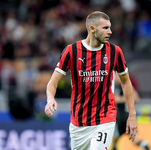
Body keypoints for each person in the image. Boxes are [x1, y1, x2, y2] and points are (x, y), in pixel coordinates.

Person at [45, 11, 137, 150]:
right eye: (105, 28)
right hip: (78, 123)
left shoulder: (115, 52)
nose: (110, 32)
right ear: (92, 29)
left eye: (110, 27)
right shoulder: (72, 51)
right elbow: (53, 82)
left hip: (105, 118)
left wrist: (132, 115)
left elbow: (125, 82)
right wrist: (50, 98)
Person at [113, 74, 151, 150]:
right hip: (124, 118)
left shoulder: (125, 86)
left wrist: (121, 100)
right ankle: (150, 149)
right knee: (134, 140)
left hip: (123, 118)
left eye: (116, 76)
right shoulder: (117, 87)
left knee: (115, 140)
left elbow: (136, 98)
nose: (114, 79)